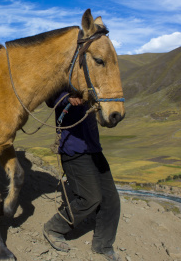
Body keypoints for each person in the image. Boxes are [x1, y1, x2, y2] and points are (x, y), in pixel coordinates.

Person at [43, 91, 122, 261]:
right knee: (90, 198)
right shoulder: (64, 77)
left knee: (111, 200)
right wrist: (66, 98)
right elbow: (50, 97)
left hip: (94, 149)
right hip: (73, 151)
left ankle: (103, 245)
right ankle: (54, 228)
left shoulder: (89, 79)